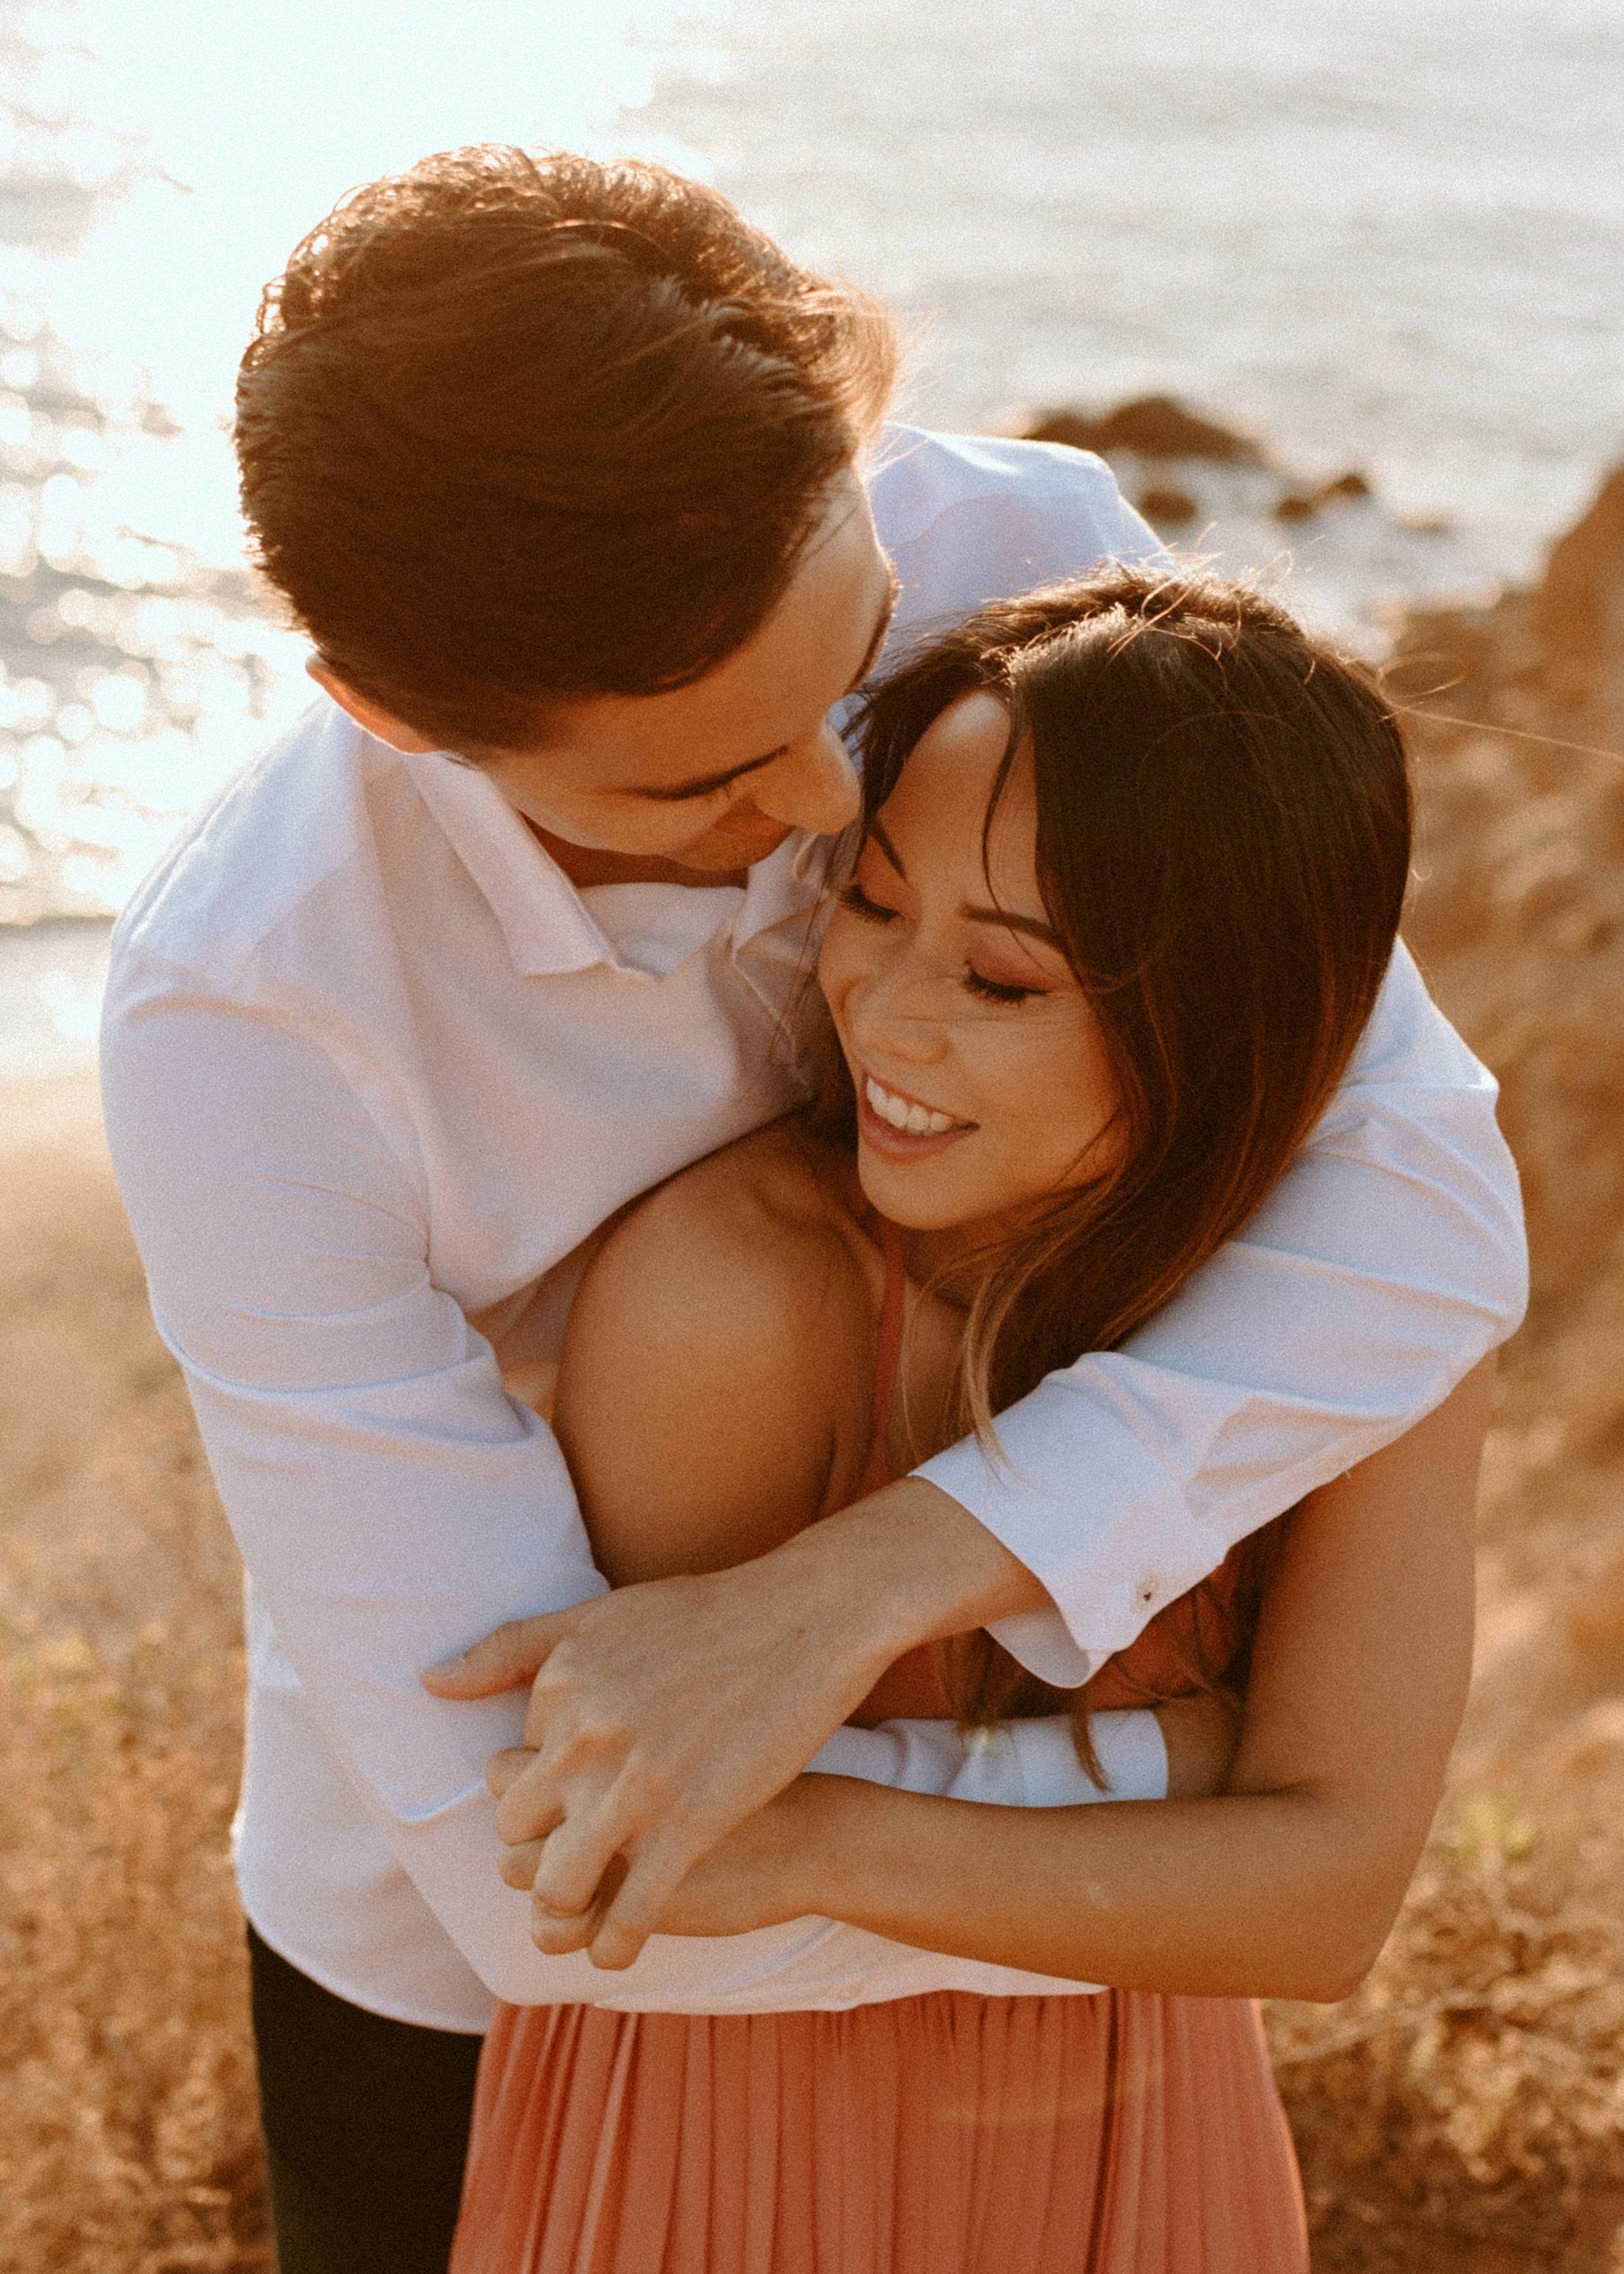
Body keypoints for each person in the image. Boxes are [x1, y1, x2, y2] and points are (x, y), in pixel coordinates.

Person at [98, 149, 1525, 2274]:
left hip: (1048, 2022)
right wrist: (1194, 1827)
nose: (831, 813)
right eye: (702, 787)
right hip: (472, 2007)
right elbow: (553, 1886)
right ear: (399, 729)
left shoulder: (1023, 560)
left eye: (848, 678)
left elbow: (1412, 1199)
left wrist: (858, 1593)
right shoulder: (256, 1022)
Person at [440, 571, 1492, 2272]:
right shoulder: (737, 1303)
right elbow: (629, 1850)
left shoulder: (1365, 1318)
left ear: (1219, 1030)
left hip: (1143, 2149)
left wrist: (828, 1830)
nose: (889, 1017)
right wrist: (1186, 1772)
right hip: (724, 2128)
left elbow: (1324, 1902)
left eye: (1002, 980)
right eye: (871, 905)